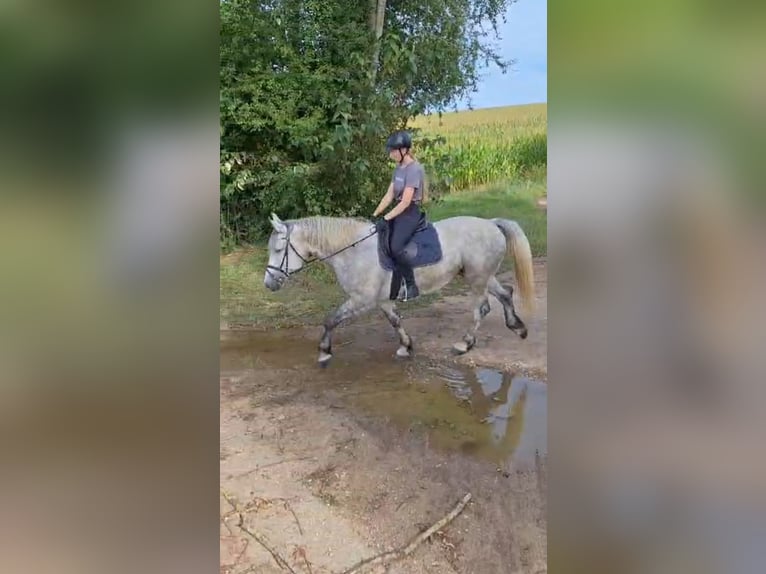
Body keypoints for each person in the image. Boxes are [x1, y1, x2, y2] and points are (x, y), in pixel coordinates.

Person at [372, 130, 427, 301]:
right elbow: (389, 195)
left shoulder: (414, 170)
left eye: (393, 151)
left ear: (403, 150)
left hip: (410, 211)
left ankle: (411, 285)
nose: (391, 154)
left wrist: (386, 218)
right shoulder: (399, 169)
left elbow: (405, 202)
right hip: (399, 210)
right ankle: (392, 285)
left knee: (396, 247)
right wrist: (375, 214)